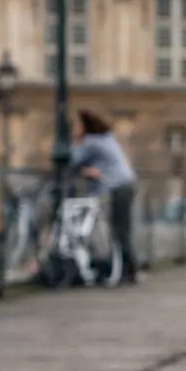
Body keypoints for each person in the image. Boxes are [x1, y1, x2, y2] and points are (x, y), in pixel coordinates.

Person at [69, 110, 139, 285]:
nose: (74, 129)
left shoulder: (91, 142)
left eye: (77, 126)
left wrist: (76, 143)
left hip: (116, 187)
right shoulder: (106, 139)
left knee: (118, 230)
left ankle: (124, 271)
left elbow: (72, 160)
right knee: (122, 230)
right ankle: (129, 270)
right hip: (125, 184)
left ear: (84, 128)